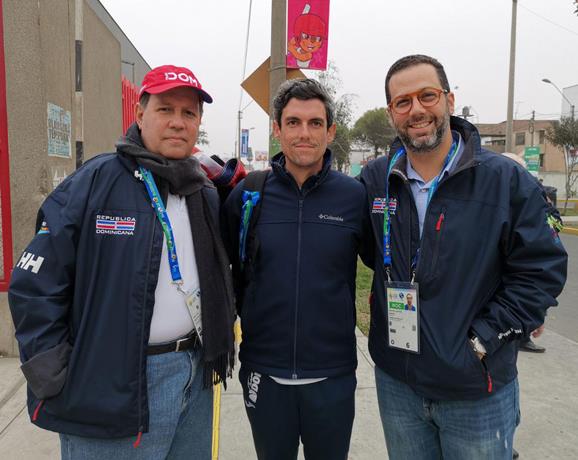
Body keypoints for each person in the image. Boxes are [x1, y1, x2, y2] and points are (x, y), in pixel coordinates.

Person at [9, 65, 236, 459]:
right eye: (166, 110)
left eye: (189, 113)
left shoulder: (203, 192)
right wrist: (55, 369)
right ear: (140, 114)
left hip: (194, 373)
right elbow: (34, 283)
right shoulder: (95, 182)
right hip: (109, 382)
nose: (178, 123)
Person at [359, 54, 567, 459]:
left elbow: (542, 270)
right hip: (397, 383)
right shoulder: (376, 179)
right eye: (403, 102)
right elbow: (366, 250)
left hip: (476, 389)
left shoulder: (505, 180)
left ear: (449, 101)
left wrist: (484, 339)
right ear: (391, 114)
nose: (416, 109)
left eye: (427, 96)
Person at [221, 78, 369, 460]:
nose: (304, 133)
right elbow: (223, 268)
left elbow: (382, 265)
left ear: (330, 131)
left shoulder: (354, 197)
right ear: (277, 129)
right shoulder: (249, 195)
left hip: (332, 375)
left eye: (315, 123)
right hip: (264, 374)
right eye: (293, 122)